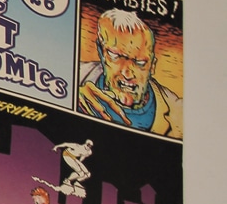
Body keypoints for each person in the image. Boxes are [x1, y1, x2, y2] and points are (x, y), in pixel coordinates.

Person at [78, 9, 182, 138]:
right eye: (115, 56)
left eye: (140, 62)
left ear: (152, 66)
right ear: (101, 52)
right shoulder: (76, 77)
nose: (127, 74)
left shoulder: (177, 112)